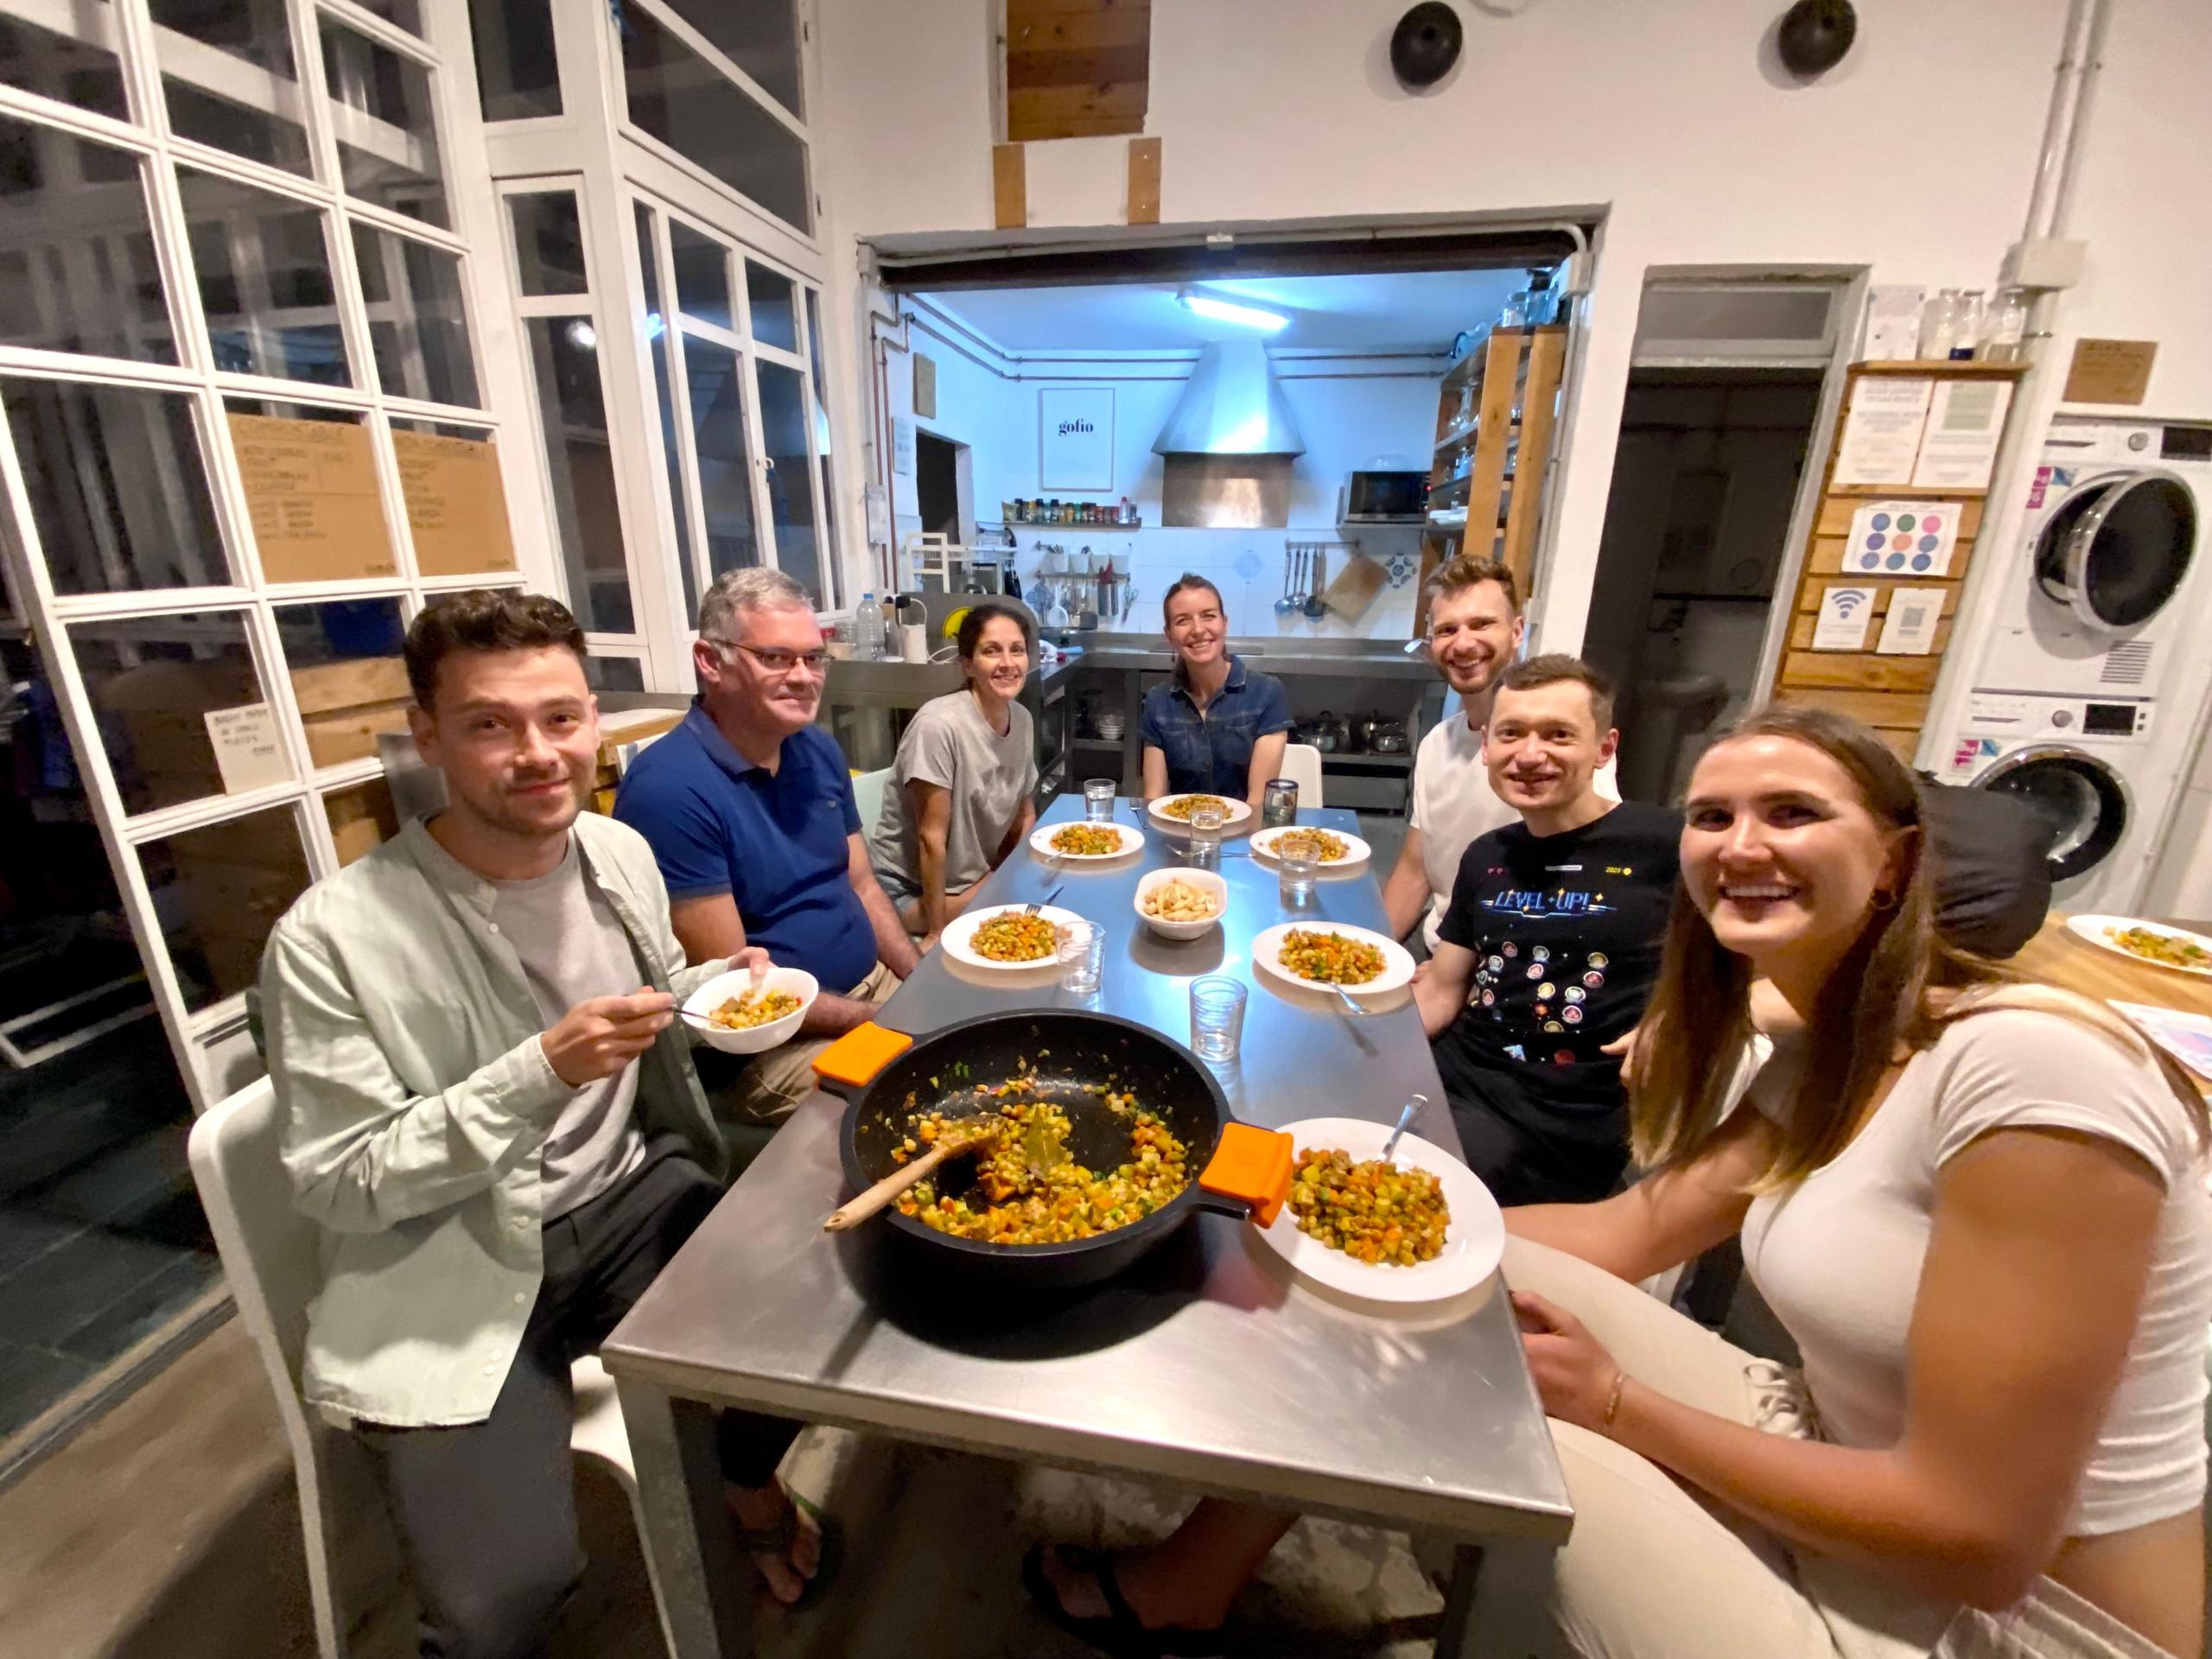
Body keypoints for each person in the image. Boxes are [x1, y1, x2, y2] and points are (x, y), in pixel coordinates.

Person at [1503, 704, 2209, 1659]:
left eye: (1792, 813)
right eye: (1711, 818)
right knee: (1469, 1298)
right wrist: (1358, 1209)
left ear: (1892, 861)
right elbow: (1628, 1232)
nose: (1741, 844)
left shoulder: (2032, 1069)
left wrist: (1620, 1407)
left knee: (1508, 1449)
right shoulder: (1832, 1046)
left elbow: (1979, 1543)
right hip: (1834, 1447)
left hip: (2004, 1620)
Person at [261, 592, 833, 1657]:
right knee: (500, 1606)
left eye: (561, 719)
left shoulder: (615, 854)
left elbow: (655, 997)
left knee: (825, 1313)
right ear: (427, 736)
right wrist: (535, 1073)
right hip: (454, 1259)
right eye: (490, 724)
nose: (538, 754)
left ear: (594, 724)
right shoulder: (328, 941)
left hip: (631, 1191)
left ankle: (740, 1486)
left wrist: (717, 985)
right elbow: (339, 1179)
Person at [615, 568, 918, 1123]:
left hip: (869, 991)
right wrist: (885, 1020)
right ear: (710, 661)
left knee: (987, 1024)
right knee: (927, 1089)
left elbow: (861, 884)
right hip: (772, 1047)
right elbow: (741, 991)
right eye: (776, 658)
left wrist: (920, 983)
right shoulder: (669, 791)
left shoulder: (816, 750)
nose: (803, 677)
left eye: (813, 658)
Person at [1415, 654, 1681, 1206]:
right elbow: (1443, 989)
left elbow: (1766, 970)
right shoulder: (1487, 855)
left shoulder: (1668, 845)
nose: (1530, 755)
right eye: (1512, 734)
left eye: (1558, 735)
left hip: (1566, 1118)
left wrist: (1687, 1023)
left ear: (1604, 748)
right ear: (1487, 746)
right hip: (1460, 1076)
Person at [1382, 554, 1620, 948]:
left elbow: (1588, 877)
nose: (1463, 643)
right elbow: (1415, 870)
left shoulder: (1557, 753)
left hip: (1519, 965)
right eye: (1447, 629)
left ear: (1517, 631)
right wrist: (1370, 960)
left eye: (1481, 624)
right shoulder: (1436, 745)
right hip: (1443, 952)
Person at [867, 601, 1038, 946]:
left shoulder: (1022, 719)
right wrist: (935, 930)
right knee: (1013, 913)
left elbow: (1025, 814)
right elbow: (930, 838)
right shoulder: (938, 725)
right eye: (992, 651)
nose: (1007, 663)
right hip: (908, 893)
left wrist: (1009, 873)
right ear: (968, 664)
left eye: (1016, 650)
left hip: (971, 882)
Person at [1138, 575, 1290, 810]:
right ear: (1169, 635)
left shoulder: (1266, 694)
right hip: (1178, 833)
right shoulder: (1158, 702)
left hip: (1244, 835)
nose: (1198, 630)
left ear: (1224, 623)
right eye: (1182, 620)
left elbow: (1258, 804)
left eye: (1208, 615)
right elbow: (1154, 801)